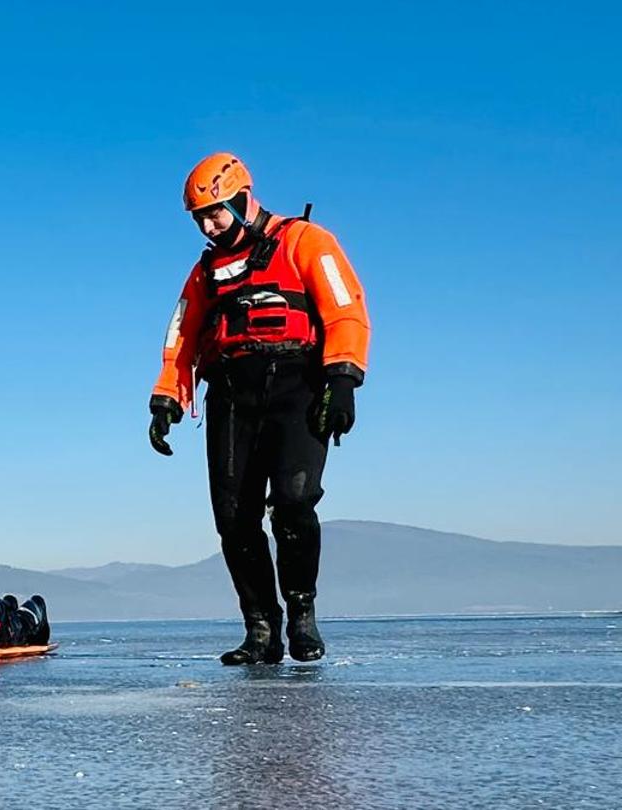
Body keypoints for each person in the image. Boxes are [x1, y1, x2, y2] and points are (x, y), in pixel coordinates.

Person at [147, 153, 371, 665]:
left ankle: (301, 615)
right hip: (231, 392)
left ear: (242, 199)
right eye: (199, 218)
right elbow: (180, 338)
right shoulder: (205, 271)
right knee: (234, 517)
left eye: (216, 213)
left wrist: (342, 378)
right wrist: (167, 397)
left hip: (299, 386)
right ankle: (261, 629)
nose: (208, 225)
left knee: (294, 503)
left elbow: (346, 309)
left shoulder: (305, 242)